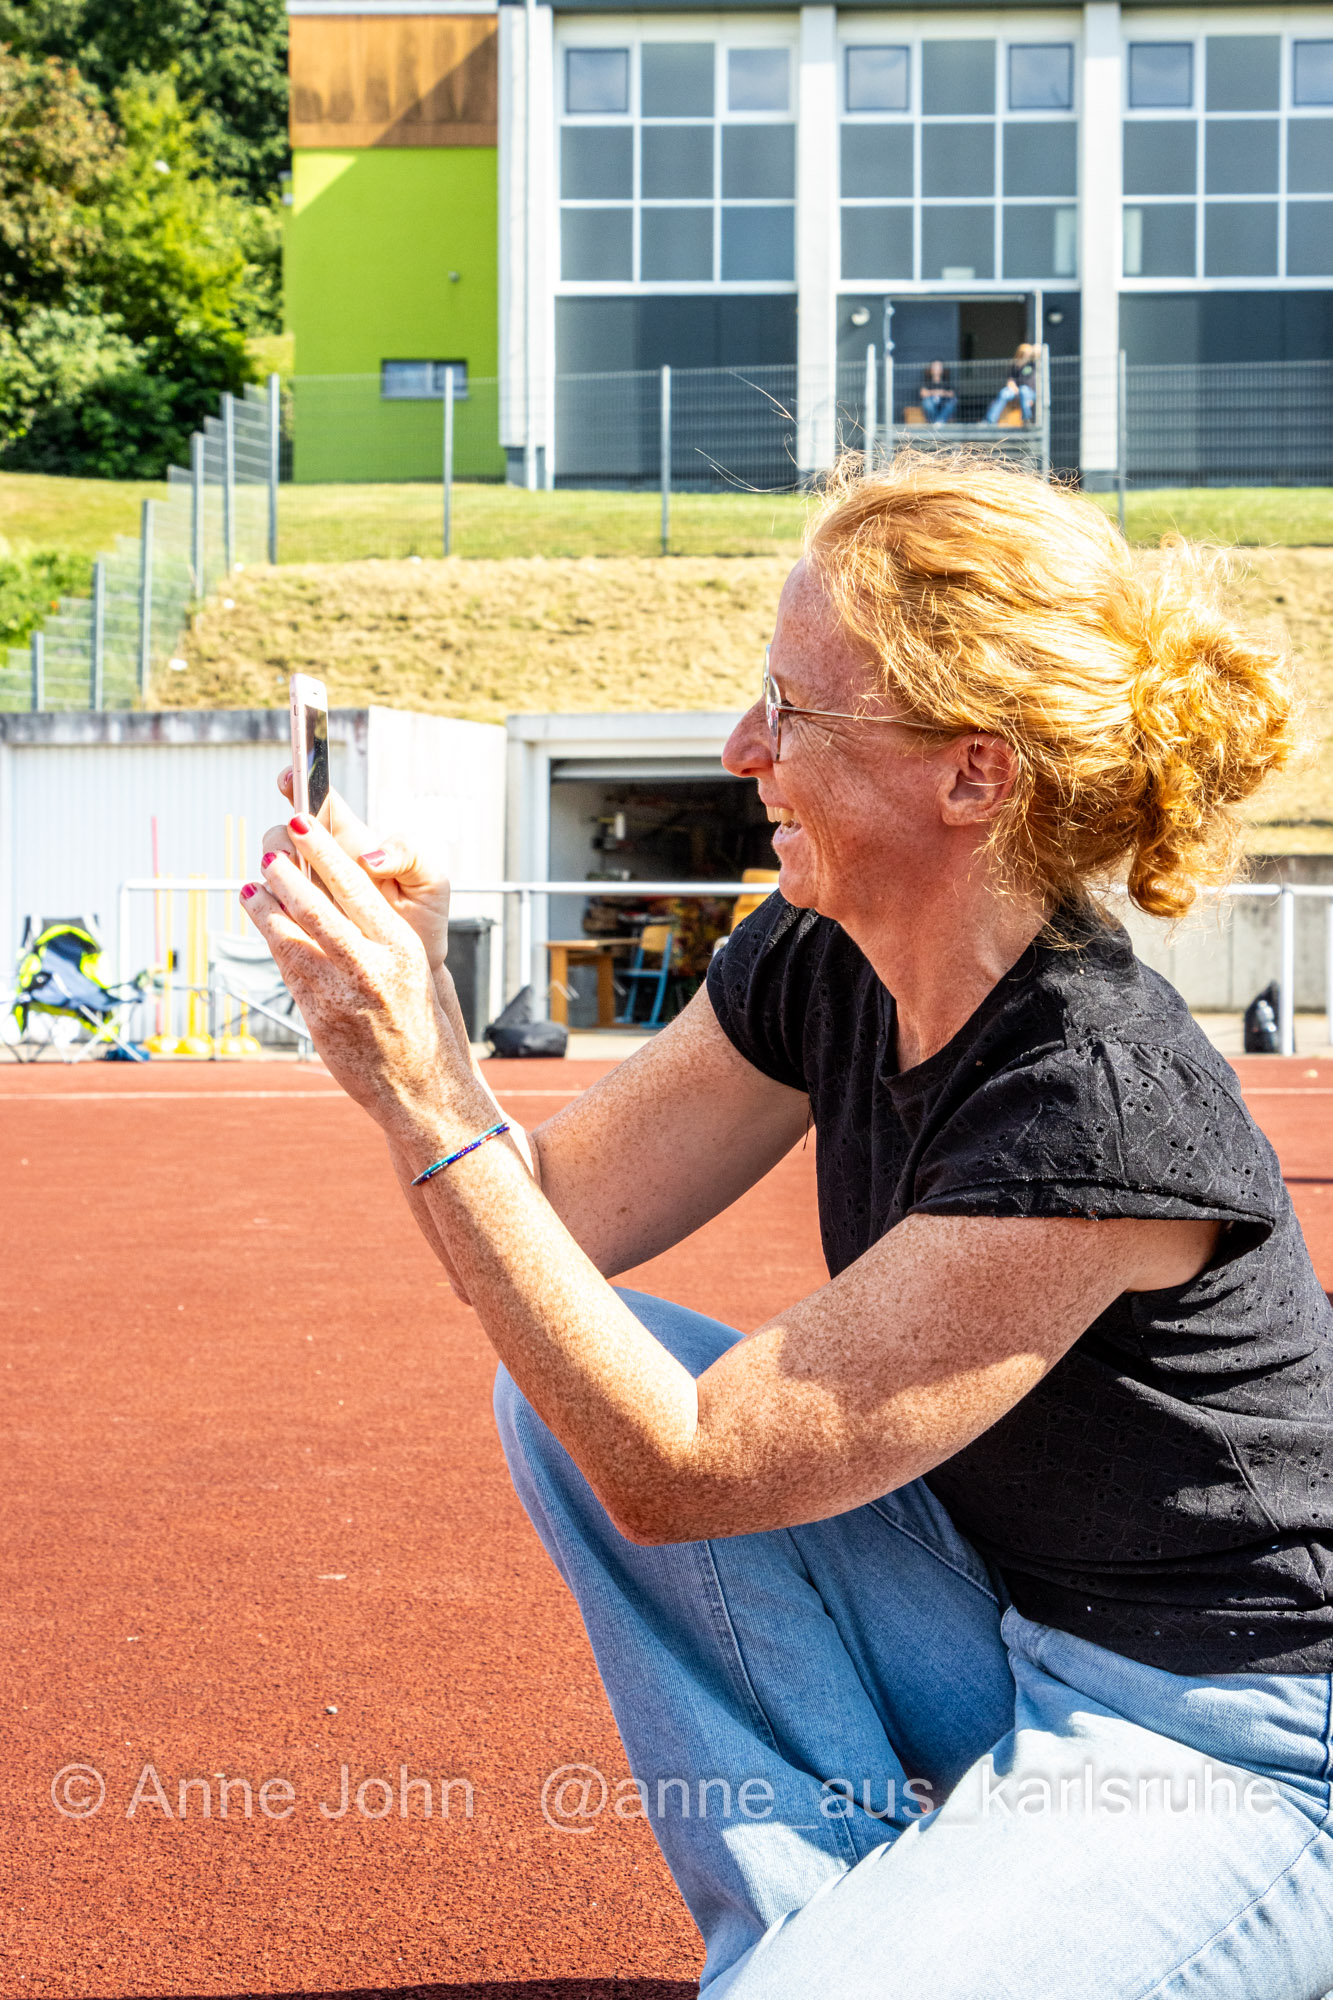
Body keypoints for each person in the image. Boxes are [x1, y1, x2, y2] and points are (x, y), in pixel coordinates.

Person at [242, 455, 1333, 2000]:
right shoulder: (820, 959)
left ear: (974, 776)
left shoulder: (1097, 1106)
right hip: (1006, 1623)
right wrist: (423, 1023)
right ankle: (807, 1933)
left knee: (627, 1406)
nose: (741, 747)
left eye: (792, 709)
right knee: (566, 1379)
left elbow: (682, 1469)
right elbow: (541, 1235)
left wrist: (420, 1093)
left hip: (1242, 1736)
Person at [986, 341, 1037, 425]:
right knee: (1004, 393)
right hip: (1016, 391)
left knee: (1023, 390)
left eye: (1027, 353)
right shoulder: (1014, 366)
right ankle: (990, 420)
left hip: (1029, 392)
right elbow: (1010, 381)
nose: (1025, 355)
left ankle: (1026, 419)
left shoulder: (1033, 364)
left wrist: (1033, 349)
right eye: (1023, 353)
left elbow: (1038, 352)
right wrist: (1014, 388)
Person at [918, 360, 957, 426]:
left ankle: (938, 422)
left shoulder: (946, 382)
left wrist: (943, 393)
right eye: (935, 367)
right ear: (931, 369)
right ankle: (938, 422)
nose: (937, 369)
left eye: (939, 367)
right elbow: (923, 393)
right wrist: (936, 392)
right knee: (927, 403)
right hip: (932, 404)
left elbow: (952, 394)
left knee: (952, 403)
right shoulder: (927, 381)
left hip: (944, 404)